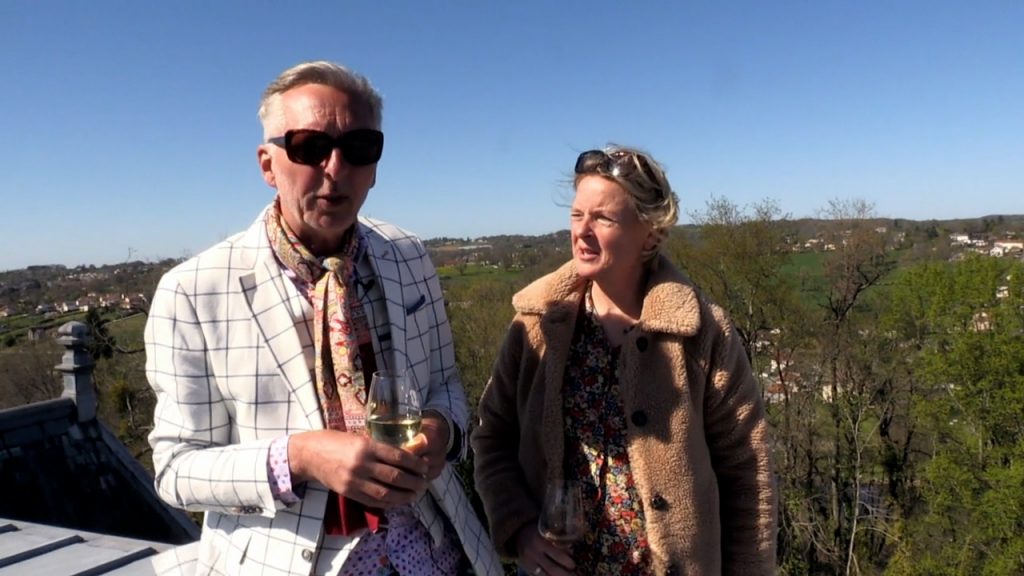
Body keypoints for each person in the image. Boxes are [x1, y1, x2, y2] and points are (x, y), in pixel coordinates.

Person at [145, 60, 501, 576]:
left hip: (432, 550)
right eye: (309, 147)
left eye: (359, 148)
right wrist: (301, 456)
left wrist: (439, 431)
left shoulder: (407, 255)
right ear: (268, 165)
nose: (335, 168)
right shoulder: (194, 292)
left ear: (375, 166)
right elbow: (176, 469)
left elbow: (446, 385)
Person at [471, 145, 777, 576]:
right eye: (577, 215)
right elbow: (491, 436)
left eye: (603, 218)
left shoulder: (702, 332)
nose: (582, 231)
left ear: (650, 234)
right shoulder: (538, 323)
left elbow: (748, 470)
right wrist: (519, 528)